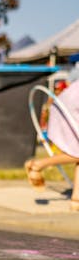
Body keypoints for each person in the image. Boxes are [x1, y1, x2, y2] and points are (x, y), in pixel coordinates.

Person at [25, 81, 79, 212]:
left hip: (65, 106)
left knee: (77, 152)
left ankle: (76, 200)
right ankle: (38, 165)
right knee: (76, 153)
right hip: (70, 110)